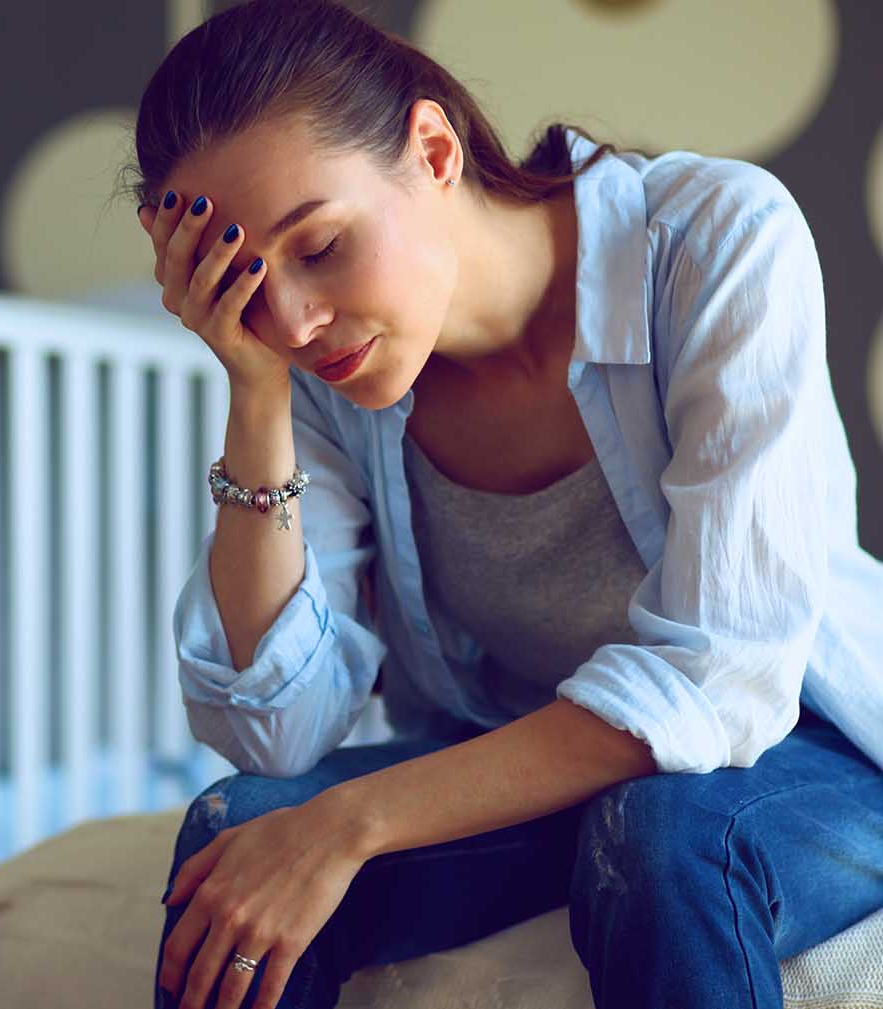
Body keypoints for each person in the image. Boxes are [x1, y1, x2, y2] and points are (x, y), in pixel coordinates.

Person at [122, 2, 883, 1008]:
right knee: (237, 829)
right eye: (250, 288)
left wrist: (355, 819)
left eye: (320, 246)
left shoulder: (713, 238)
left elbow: (725, 674)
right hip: (546, 764)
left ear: (433, 150)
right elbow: (276, 733)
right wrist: (255, 390)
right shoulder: (313, 371)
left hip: (803, 751)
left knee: (662, 833)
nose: (298, 321)